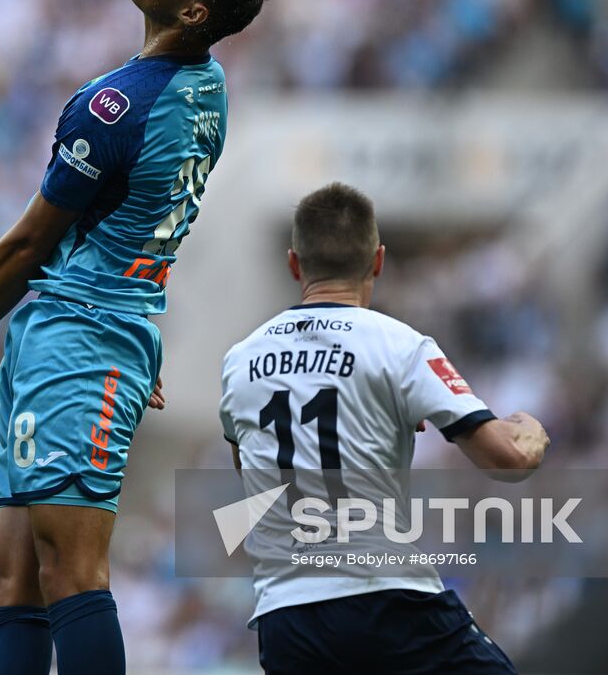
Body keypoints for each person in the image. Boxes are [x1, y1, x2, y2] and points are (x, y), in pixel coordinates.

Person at [0, 0, 270, 675]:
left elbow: (28, 241)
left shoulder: (115, 105)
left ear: (194, 11)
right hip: (85, 330)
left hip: (81, 337)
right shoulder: (209, 86)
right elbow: (147, 220)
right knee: (12, 575)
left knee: (72, 569)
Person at [218, 182, 551, 675]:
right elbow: (508, 459)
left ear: (294, 264)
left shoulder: (239, 360)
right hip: (384, 598)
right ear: (378, 261)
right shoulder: (400, 346)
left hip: (285, 619)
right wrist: (530, 429)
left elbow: (251, 486)